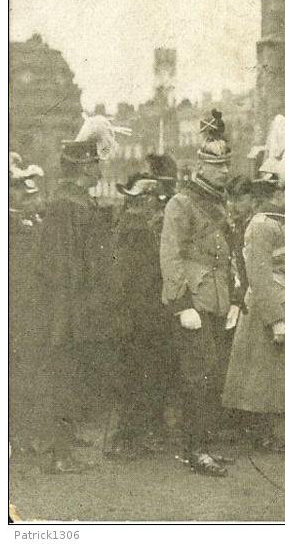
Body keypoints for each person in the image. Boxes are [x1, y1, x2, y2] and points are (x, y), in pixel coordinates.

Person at [33, 116, 125, 474]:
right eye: (94, 162)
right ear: (81, 168)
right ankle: (58, 453)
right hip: (68, 309)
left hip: (78, 307)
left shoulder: (75, 202)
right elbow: (64, 268)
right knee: (63, 377)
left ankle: (64, 444)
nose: (99, 167)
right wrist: (76, 310)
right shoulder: (66, 206)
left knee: (73, 376)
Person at [222, 114, 285, 454]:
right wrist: (275, 318)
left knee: (275, 376)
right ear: (276, 193)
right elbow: (259, 278)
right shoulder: (261, 226)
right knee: (260, 379)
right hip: (267, 309)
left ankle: (269, 433)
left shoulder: (281, 222)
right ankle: (258, 435)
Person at [160, 110, 242, 476]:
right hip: (194, 301)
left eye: (227, 164)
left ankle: (204, 443)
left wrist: (236, 298)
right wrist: (180, 304)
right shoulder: (181, 203)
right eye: (218, 165)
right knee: (197, 377)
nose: (225, 171)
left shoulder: (219, 201)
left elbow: (230, 254)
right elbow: (170, 254)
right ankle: (194, 449)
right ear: (200, 166)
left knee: (213, 375)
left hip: (219, 300)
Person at [105, 172, 176, 459]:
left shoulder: (129, 227)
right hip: (137, 317)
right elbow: (125, 280)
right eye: (153, 200)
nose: (157, 206)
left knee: (134, 379)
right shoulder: (136, 231)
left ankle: (127, 438)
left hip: (137, 315)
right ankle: (123, 441)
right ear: (144, 201)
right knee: (134, 380)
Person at [9, 154, 46, 454]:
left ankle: (22, 435)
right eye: (17, 186)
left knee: (26, 373)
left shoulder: (29, 221)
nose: (23, 192)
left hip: (29, 307)